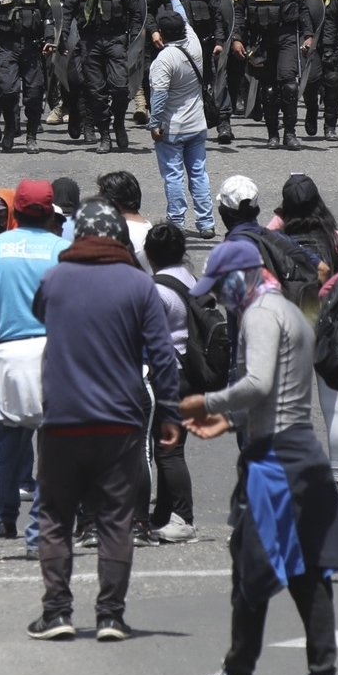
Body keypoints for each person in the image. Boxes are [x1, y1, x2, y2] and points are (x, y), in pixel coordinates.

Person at [177, 240, 338, 675]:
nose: (222, 297)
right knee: (307, 569)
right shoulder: (292, 312)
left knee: (251, 563)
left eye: (223, 286)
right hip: (301, 449)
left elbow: (259, 383)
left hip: (275, 460)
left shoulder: (258, 313)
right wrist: (231, 421)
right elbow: (282, 391)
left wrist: (205, 402)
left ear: (243, 276)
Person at [25, 200, 182, 643]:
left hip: (62, 417)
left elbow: (41, 314)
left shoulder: (55, 278)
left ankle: (57, 612)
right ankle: (111, 616)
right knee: (116, 519)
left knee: (56, 516)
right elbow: (163, 356)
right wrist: (169, 412)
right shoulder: (138, 284)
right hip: (121, 419)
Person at [0, 178, 69, 562]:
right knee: (53, 454)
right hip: (54, 357)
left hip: (8, 357)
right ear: (51, 211)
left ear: (15, 211)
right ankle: (39, 537)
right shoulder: (64, 249)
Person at [143, 221, 198, 543]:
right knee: (171, 446)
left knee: (167, 450)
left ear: (150, 254)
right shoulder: (189, 280)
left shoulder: (156, 288)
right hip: (191, 371)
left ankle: (183, 517)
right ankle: (163, 514)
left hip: (170, 373)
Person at [147, 10, 214, 235]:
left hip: (172, 128)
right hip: (197, 124)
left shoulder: (164, 59)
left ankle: (176, 222)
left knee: (173, 176)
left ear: (162, 35)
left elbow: (159, 96)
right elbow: (186, 17)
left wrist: (154, 124)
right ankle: (206, 223)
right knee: (199, 174)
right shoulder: (194, 44)